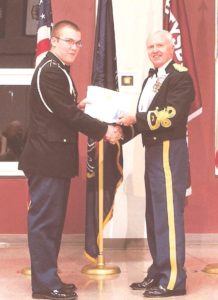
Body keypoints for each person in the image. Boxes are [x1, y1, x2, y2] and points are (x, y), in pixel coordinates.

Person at [18, 20, 122, 300]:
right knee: (44, 224)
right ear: (53, 41)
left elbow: (60, 111)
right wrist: (105, 130)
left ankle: (49, 277)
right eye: (68, 41)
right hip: (46, 160)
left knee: (52, 224)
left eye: (78, 42)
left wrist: (73, 107)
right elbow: (68, 117)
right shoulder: (51, 71)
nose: (74, 47)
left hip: (54, 159)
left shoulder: (58, 70)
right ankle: (43, 285)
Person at [117, 30, 195, 298]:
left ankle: (173, 279)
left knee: (169, 217)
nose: (155, 50)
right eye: (150, 46)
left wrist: (133, 119)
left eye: (160, 45)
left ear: (171, 47)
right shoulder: (151, 79)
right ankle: (159, 271)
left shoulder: (180, 77)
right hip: (152, 151)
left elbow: (171, 115)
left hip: (169, 150)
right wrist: (114, 131)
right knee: (155, 215)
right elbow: (140, 121)